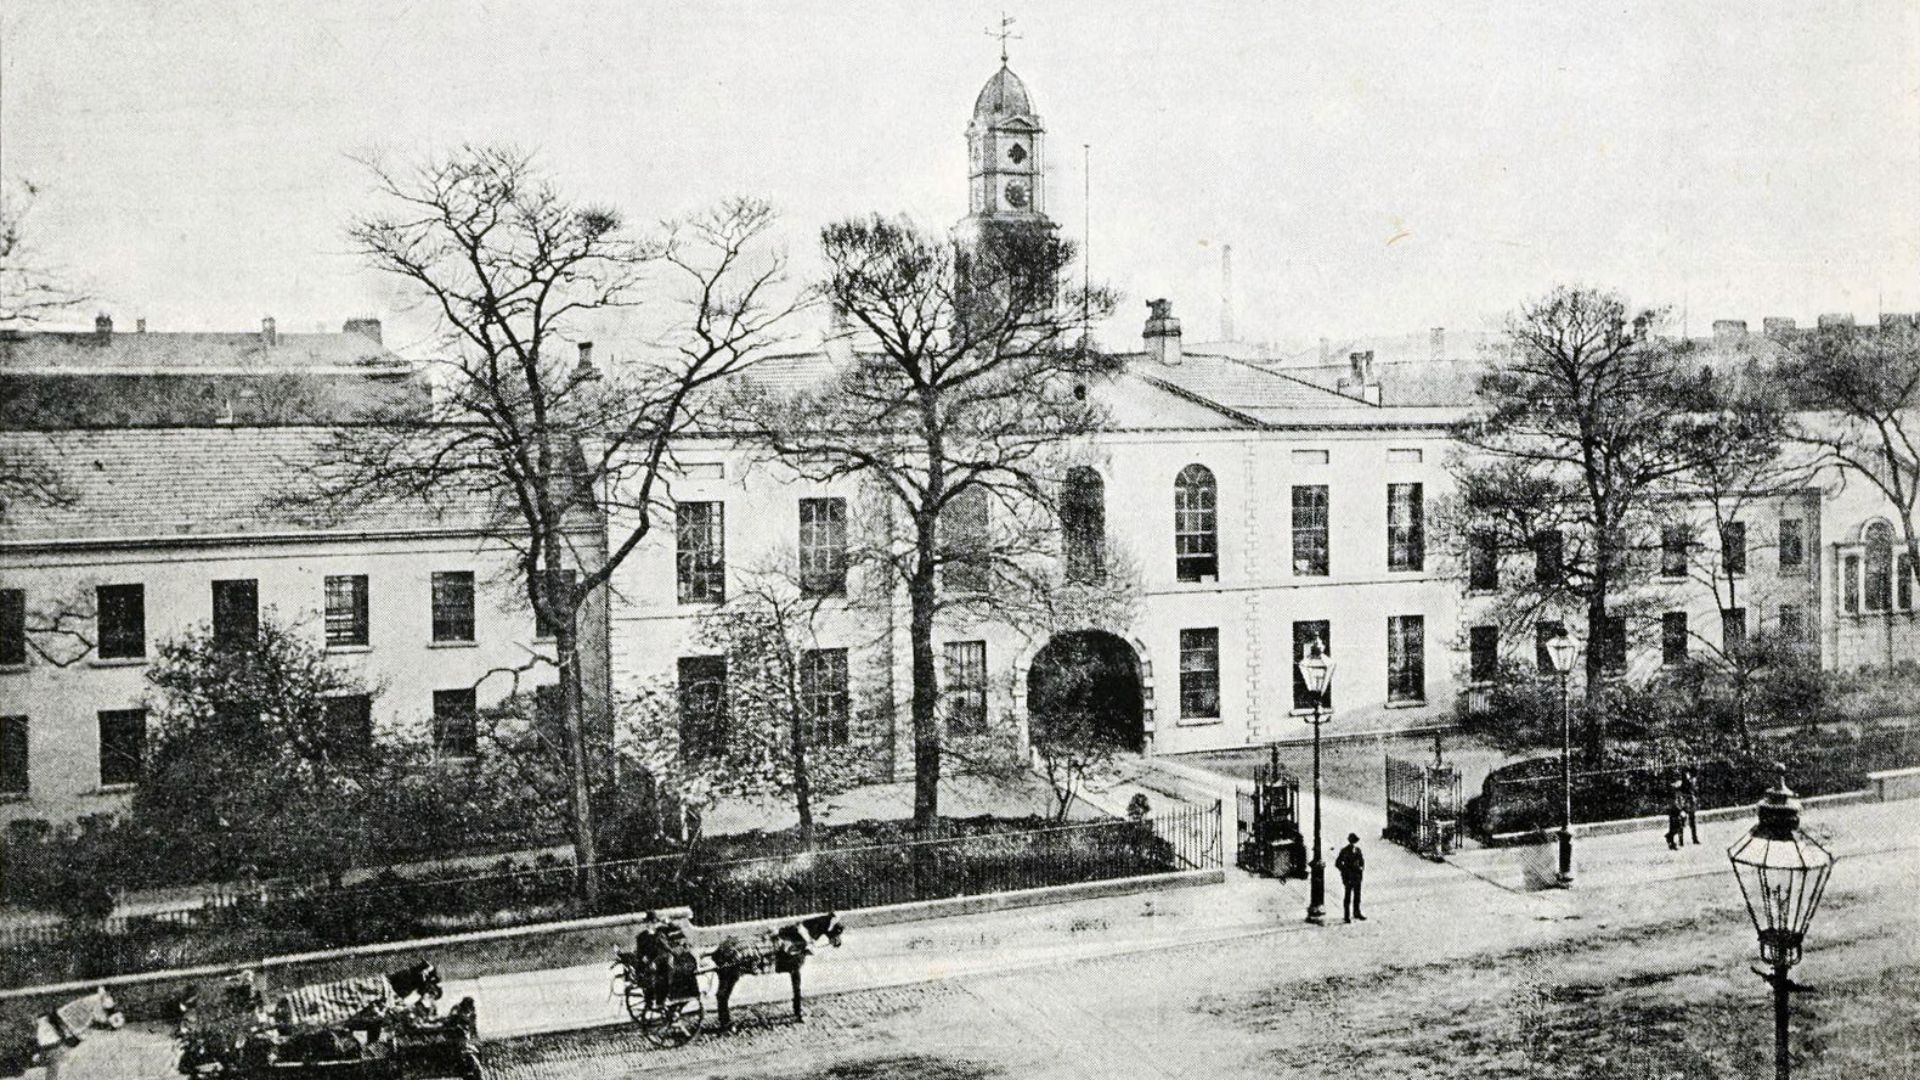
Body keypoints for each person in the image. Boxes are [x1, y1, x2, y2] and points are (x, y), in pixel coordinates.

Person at [1334, 833, 1366, 922]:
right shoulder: (1344, 850)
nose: (1353, 843)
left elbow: (1362, 861)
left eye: (1355, 841)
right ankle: (1346, 915)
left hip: (1357, 877)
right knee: (1347, 896)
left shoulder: (1358, 850)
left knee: (1357, 896)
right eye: (1352, 841)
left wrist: (1361, 868)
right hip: (1348, 877)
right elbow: (1337, 863)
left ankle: (1357, 912)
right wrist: (1344, 871)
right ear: (1349, 841)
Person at [1681, 769, 1701, 845]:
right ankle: (1681, 840)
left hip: (1690, 801)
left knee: (1692, 820)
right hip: (1684, 801)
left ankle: (1694, 838)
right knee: (1682, 820)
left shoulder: (1692, 774)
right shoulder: (1682, 775)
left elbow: (1694, 789)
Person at [1664, 785, 1686, 850]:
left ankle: (1670, 840)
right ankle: (1670, 840)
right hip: (1674, 813)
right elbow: (1674, 805)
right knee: (1676, 828)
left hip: (1674, 813)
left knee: (1675, 828)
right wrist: (1679, 810)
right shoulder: (1672, 797)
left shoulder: (1675, 796)